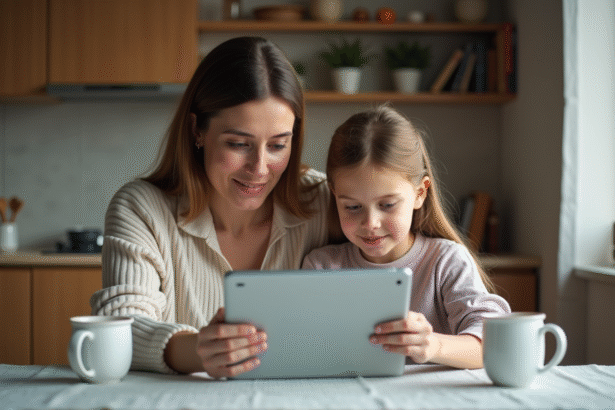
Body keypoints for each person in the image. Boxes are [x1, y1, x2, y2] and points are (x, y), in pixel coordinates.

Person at [90, 37, 333, 378]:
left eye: (278, 145)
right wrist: (196, 350)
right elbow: (119, 327)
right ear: (197, 131)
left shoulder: (325, 201)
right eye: (238, 144)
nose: (260, 168)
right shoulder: (140, 208)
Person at [302, 105, 511, 370]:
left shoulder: (445, 261)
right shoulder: (320, 267)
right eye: (352, 207)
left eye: (387, 205)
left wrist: (433, 345)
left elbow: (495, 345)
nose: (370, 224)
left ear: (420, 193)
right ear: (334, 195)